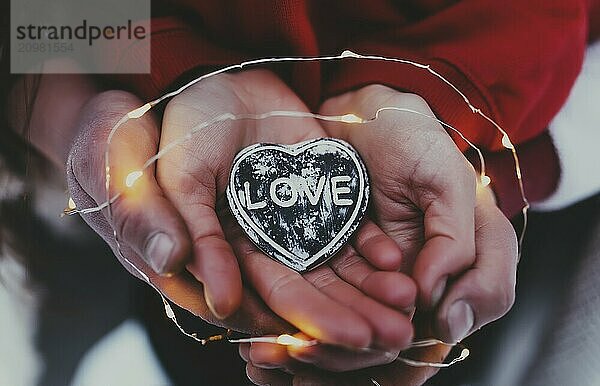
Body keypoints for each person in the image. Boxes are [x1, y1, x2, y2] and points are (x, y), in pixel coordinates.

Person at [2, 0, 598, 384]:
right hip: (94, 216)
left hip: (489, 200)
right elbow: (28, 20)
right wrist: (65, 103)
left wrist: (509, 156)